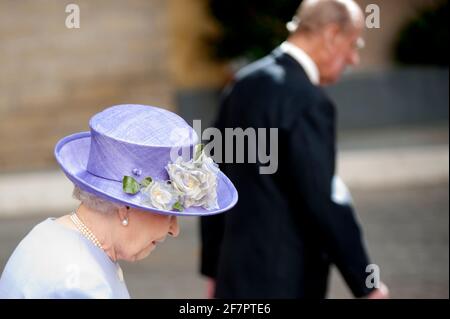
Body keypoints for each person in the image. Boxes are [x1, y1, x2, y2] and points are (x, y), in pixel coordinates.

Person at [200, 0, 389, 298]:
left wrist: (212, 268)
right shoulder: (309, 101)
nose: (353, 59)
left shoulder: (242, 84)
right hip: (287, 279)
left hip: (234, 276)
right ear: (331, 34)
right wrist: (367, 284)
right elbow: (323, 201)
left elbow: (210, 181)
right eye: (353, 44)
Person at [0, 104, 238, 298]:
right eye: (169, 212)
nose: (174, 230)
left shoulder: (47, 234)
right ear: (125, 208)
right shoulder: (82, 285)